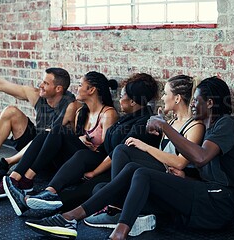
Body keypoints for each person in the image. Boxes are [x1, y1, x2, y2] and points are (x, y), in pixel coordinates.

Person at [24, 76, 234, 240]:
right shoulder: (209, 129)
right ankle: (70, 218)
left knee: (141, 173)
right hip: (205, 198)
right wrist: (183, 178)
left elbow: (201, 158)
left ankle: (116, 234)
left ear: (210, 103)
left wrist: (164, 127)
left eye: (197, 100)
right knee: (131, 169)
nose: (193, 104)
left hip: (220, 204)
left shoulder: (225, 123)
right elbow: (203, 171)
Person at [3, 73, 162, 216]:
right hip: (101, 159)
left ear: (133, 101)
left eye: (122, 96)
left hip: (115, 170)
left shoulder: (142, 123)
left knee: (88, 186)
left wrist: (95, 171)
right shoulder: (127, 117)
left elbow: (118, 152)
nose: (119, 99)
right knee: (54, 132)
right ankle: (37, 188)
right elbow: (108, 145)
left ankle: (40, 203)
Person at [83, 75, 204, 230]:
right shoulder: (171, 122)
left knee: (121, 152)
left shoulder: (195, 126)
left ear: (177, 98)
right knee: (99, 188)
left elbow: (180, 163)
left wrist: (145, 146)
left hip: (172, 182)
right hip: (159, 173)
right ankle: (126, 210)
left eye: (166, 94)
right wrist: (159, 126)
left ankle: (117, 209)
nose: (162, 97)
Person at [0, 71, 119, 210]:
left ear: (91, 90)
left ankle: (28, 181)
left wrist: (94, 173)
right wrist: (80, 138)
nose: (77, 88)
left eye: (81, 85)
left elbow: (110, 152)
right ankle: (16, 179)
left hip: (95, 162)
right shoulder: (81, 112)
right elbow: (75, 141)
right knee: (48, 133)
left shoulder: (108, 114)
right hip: (77, 159)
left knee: (59, 132)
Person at [0, 59, 80, 180]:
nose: (40, 85)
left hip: (51, 154)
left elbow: (56, 137)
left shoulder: (70, 105)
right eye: (42, 81)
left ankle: (8, 163)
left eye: (46, 83)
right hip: (35, 143)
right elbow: (0, 84)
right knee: (11, 111)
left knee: (46, 134)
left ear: (58, 89)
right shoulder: (37, 95)